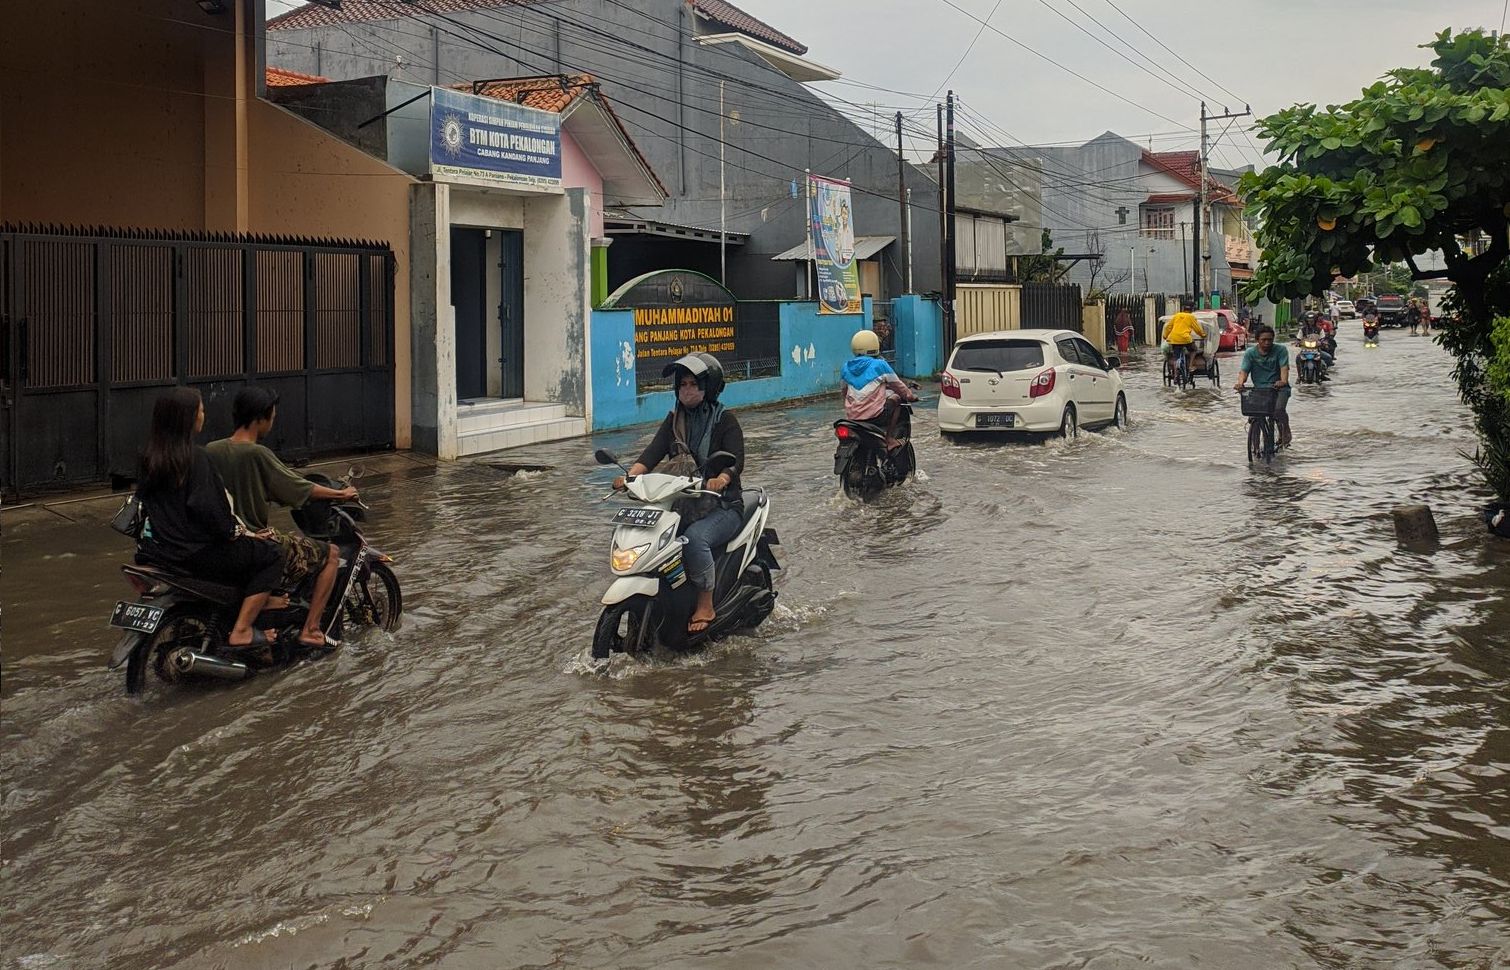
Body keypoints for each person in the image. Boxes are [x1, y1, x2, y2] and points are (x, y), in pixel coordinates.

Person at [134, 387, 284, 651]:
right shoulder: (196, 458)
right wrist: (241, 533)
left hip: (160, 552)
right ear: (189, 418)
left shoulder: (149, 458)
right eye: (201, 410)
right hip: (197, 554)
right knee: (272, 553)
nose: (204, 414)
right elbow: (214, 515)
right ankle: (242, 629)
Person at [207, 386, 353, 649]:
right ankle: (311, 629)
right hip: (253, 543)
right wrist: (342, 494)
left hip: (222, 542)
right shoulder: (257, 454)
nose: (272, 423)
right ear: (259, 419)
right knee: (330, 554)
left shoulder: (211, 450)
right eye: (272, 417)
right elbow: (297, 487)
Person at [613, 353, 745, 635]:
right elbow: (653, 452)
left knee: (695, 539)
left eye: (693, 384)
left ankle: (705, 604)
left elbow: (736, 460)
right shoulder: (675, 419)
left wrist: (721, 478)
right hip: (683, 503)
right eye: (682, 384)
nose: (687, 389)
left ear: (709, 387)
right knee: (653, 534)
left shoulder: (725, 420)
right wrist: (630, 476)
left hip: (723, 506)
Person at [842, 329, 918, 445]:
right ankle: (889, 439)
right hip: (875, 416)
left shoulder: (846, 367)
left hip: (852, 418)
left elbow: (844, 392)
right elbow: (898, 386)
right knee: (897, 398)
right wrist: (910, 396)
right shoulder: (880, 365)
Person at [1234, 326, 1293, 447]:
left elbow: (1284, 368)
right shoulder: (1250, 353)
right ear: (1257, 340)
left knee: (1278, 410)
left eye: (1270, 340)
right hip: (1260, 389)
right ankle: (1255, 445)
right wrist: (1240, 383)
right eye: (1263, 340)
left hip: (1279, 388)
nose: (1267, 343)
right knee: (1254, 414)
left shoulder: (1281, 350)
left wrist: (1283, 381)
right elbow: (1244, 371)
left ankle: (1285, 430)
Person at [1161, 302, 1207, 378]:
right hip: (1185, 339)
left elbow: (1168, 327)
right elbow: (1197, 329)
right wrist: (1203, 335)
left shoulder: (1176, 316)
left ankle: (1175, 375)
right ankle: (1190, 366)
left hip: (1174, 339)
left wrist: (1165, 336)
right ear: (1191, 310)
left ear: (1183, 309)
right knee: (1194, 350)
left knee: (1176, 357)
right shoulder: (1191, 317)